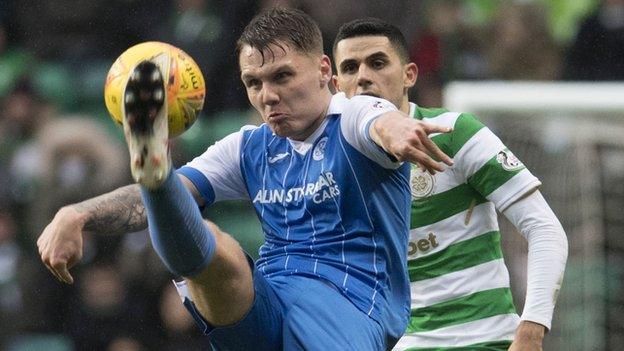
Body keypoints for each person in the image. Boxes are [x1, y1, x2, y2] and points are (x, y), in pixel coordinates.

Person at [38, 8, 453, 350]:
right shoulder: (249, 146)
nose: (267, 96)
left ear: (325, 69)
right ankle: (154, 172)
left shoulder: (352, 117)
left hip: (348, 306)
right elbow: (163, 206)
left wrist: (399, 130)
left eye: (282, 76)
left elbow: (380, 122)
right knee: (221, 251)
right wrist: (77, 213)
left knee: (217, 245)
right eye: (253, 83)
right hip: (266, 300)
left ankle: (156, 174)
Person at [331, 18, 568, 351]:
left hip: (485, 341)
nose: (364, 76)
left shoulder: (453, 133)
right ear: (337, 84)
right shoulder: (331, 164)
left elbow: (545, 228)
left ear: (408, 75)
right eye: (351, 68)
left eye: (378, 63)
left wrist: (530, 332)